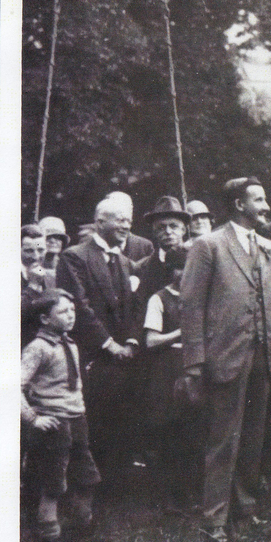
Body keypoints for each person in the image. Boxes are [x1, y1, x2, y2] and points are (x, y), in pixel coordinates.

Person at [179, 177, 271, 542]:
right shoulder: (209, 246)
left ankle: (245, 508)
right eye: (259, 200)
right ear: (239, 205)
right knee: (223, 437)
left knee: (255, 436)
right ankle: (214, 519)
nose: (267, 206)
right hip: (224, 357)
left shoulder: (270, 249)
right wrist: (195, 362)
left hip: (263, 356)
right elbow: (191, 305)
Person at [55, 197, 141, 483]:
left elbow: (132, 308)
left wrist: (130, 342)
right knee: (93, 424)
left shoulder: (125, 261)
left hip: (122, 359)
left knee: (120, 421)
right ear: (100, 222)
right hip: (91, 356)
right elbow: (80, 306)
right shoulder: (75, 257)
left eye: (129, 220)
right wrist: (109, 344)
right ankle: (88, 490)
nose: (126, 225)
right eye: (120, 219)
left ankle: (116, 486)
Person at [21, 289, 101, 542]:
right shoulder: (38, 348)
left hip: (77, 418)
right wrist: (33, 418)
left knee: (87, 475)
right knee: (54, 480)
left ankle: (83, 527)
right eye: (63, 312)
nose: (70, 316)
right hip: (53, 423)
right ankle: (49, 534)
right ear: (45, 319)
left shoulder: (70, 343)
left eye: (73, 310)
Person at [141, 247, 203, 510]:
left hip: (197, 366)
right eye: (182, 268)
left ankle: (194, 493)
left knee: (196, 429)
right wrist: (181, 332)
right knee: (169, 430)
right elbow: (152, 340)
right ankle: (171, 497)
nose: (186, 274)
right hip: (168, 368)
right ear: (173, 270)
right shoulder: (159, 298)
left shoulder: (202, 296)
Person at [22, 224, 55, 348]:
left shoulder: (51, 277)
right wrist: (33, 286)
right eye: (29, 251)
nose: (36, 257)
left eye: (40, 250)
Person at [102, 191, 155, 263]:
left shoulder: (144, 247)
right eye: (118, 211)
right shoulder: (93, 245)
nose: (123, 215)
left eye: (128, 211)